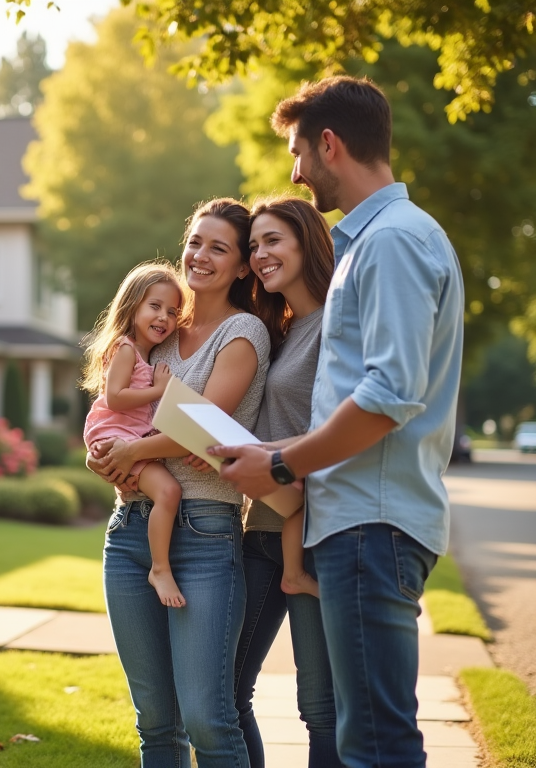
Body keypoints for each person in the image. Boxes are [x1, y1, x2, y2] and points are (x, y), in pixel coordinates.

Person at [209, 76, 465, 768]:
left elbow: (388, 397)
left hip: (370, 526)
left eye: (297, 151)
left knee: (374, 742)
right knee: (364, 735)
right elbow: (364, 401)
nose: (294, 171)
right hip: (362, 523)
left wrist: (283, 464)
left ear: (329, 144)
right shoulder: (377, 243)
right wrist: (266, 451)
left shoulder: (393, 243)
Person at [91, 198, 272, 768]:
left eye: (219, 247)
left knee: (207, 720)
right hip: (129, 532)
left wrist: (134, 451)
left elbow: (202, 429)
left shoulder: (243, 333)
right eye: (195, 241)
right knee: (156, 724)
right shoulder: (164, 330)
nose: (199, 255)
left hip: (203, 534)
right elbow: (116, 408)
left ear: (243, 267)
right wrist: (104, 457)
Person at [235, 197, 340, 768]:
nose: (260, 254)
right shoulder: (280, 330)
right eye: (254, 245)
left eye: (272, 240)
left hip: (317, 532)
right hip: (261, 529)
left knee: (319, 707)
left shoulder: (335, 324)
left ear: (306, 241)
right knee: (226, 691)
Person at [80, 262, 186, 607]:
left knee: (166, 491)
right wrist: (160, 390)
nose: (164, 318)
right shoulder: (126, 349)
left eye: (173, 311)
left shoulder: (145, 353)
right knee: (169, 491)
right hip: (116, 434)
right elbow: (115, 397)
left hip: (127, 435)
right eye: (154, 307)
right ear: (132, 306)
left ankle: (158, 566)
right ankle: (160, 568)